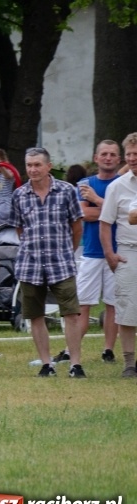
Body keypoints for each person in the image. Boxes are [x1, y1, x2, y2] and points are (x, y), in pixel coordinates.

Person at [10, 147, 85, 378]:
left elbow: (77, 227)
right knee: (35, 315)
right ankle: (46, 363)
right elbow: (20, 230)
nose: (33, 170)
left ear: (48, 166)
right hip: (30, 265)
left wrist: (66, 251)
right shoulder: (19, 195)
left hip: (61, 263)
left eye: (37, 165)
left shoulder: (67, 191)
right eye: (29, 165)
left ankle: (75, 364)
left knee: (71, 314)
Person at [64, 140, 120, 364]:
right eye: (104, 154)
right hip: (91, 252)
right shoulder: (85, 183)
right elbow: (83, 215)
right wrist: (111, 209)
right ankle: (71, 350)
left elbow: (125, 213)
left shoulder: (124, 184)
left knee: (113, 303)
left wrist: (96, 201)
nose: (108, 158)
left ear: (119, 159)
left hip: (117, 251)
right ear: (96, 158)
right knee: (83, 304)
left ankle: (108, 349)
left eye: (112, 154)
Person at [102, 133, 137, 377]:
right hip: (128, 252)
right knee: (126, 308)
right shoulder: (118, 185)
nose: (133, 159)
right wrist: (110, 255)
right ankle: (129, 364)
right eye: (129, 155)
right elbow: (105, 223)